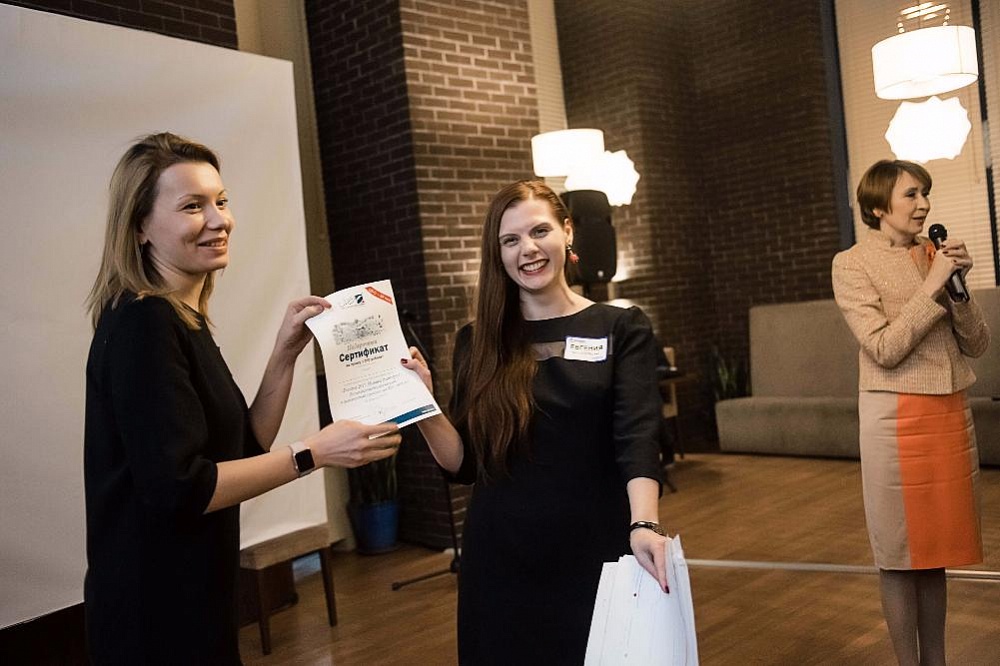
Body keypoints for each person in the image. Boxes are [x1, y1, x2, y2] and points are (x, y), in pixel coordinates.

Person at [83, 132, 402, 665]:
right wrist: (316, 452)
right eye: (193, 206)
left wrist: (284, 356)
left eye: (221, 201)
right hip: (153, 612)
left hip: (197, 593)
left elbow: (243, 449)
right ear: (139, 227)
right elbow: (183, 487)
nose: (219, 220)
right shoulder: (144, 324)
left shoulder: (181, 318)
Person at [402, 180, 668, 664]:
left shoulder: (621, 327)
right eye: (510, 240)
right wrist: (422, 405)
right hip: (500, 556)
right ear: (498, 253)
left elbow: (638, 437)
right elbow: (463, 464)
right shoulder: (476, 341)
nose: (527, 249)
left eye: (539, 231)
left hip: (596, 547)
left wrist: (644, 523)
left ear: (567, 232)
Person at [831, 160, 990, 666]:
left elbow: (977, 344)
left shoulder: (935, 255)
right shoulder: (852, 264)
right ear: (879, 206)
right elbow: (883, 348)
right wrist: (931, 286)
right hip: (895, 419)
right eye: (911, 195)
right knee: (899, 554)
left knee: (935, 552)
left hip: (948, 413)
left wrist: (957, 285)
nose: (923, 204)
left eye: (925, 193)